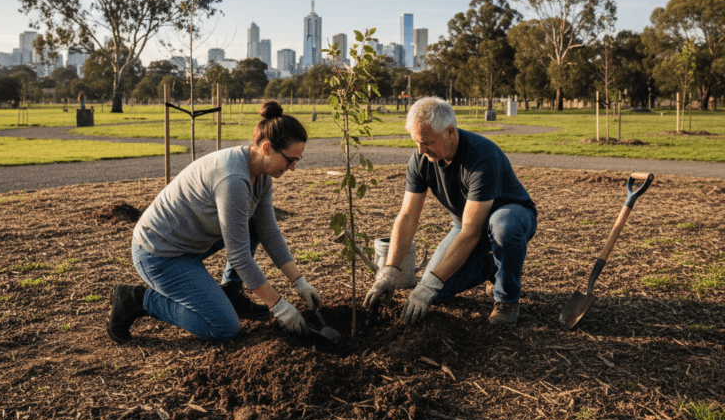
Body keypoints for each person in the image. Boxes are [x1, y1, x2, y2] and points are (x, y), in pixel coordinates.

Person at [107, 100, 322, 343]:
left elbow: (268, 231)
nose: (292, 168)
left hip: (188, 245)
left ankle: (232, 293)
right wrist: (278, 305)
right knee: (224, 327)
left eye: (297, 160)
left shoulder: (261, 175)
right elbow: (240, 256)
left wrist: (299, 282)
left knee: (254, 224)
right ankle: (137, 300)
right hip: (158, 253)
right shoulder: (233, 180)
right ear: (267, 148)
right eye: (290, 160)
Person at [363, 96, 537, 328]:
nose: (421, 150)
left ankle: (506, 299)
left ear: (450, 132)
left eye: (428, 142)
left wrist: (428, 285)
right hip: (465, 225)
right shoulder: (421, 159)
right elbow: (407, 217)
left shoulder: (482, 156)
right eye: (417, 142)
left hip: (510, 216)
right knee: (438, 294)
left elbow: (472, 233)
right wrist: (390, 272)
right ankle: (493, 267)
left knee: (503, 225)